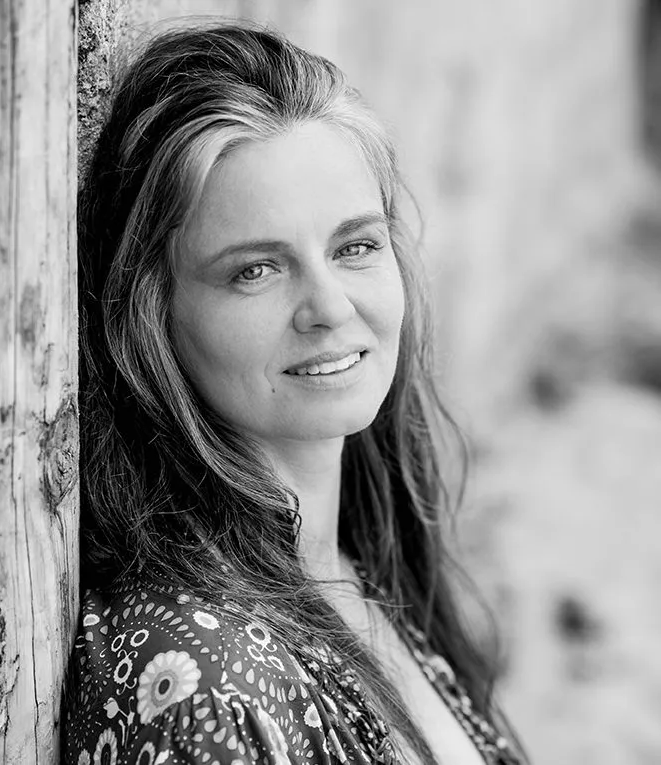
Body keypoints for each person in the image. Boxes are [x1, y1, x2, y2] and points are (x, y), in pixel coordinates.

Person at [63, 22, 526, 765]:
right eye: (256, 270)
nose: (330, 308)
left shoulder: (353, 568)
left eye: (355, 246)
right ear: (149, 316)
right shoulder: (200, 686)